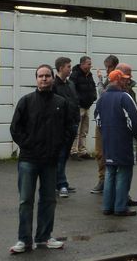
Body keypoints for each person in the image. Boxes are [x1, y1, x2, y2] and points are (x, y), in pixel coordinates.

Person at [9, 64, 76, 254]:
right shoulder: (26, 101)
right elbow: (15, 129)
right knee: (25, 201)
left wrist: (59, 147)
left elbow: (69, 128)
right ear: (36, 79)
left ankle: (44, 237)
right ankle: (24, 240)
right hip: (28, 159)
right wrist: (27, 144)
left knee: (48, 200)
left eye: (47, 76)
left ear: (53, 78)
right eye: (40, 76)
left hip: (50, 161)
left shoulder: (61, 103)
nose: (44, 79)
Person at [98, 69, 137, 216]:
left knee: (110, 172)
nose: (127, 81)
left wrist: (105, 133)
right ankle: (120, 207)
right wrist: (136, 135)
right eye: (124, 79)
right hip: (124, 141)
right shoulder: (125, 97)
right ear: (117, 80)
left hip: (108, 140)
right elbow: (134, 121)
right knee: (124, 172)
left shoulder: (102, 98)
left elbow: (98, 119)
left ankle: (107, 206)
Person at [91, 55, 120, 194]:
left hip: (112, 123)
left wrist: (99, 81)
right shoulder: (109, 79)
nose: (107, 69)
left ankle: (109, 183)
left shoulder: (117, 81)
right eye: (106, 66)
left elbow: (103, 94)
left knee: (111, 154)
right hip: (102, 120)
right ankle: (102, 180)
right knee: (99, 152)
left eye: (110, 67)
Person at [52, 56, 79, 198]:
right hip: (60, 127)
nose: (70, 68)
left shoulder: (70, 84)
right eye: (68, 66)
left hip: (72, 125)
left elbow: (74, 102)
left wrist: (76, 121)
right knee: (60, 155)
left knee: (65, 155)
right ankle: (60, 184)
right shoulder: (54, 85)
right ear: (61, 67)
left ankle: (62, 182)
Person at [70, 56, 97, 160]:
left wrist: (93, 97)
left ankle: (82, 151)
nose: (90, 66)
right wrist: (78, 101)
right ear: (82, 64)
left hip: (87, 106)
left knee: (84, 130)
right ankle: (73, 151)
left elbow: (93, 87)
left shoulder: (89, 75)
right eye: (89, 64)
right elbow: (72, 89)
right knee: (76, 130)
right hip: (79, 107)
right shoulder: (75, 75)